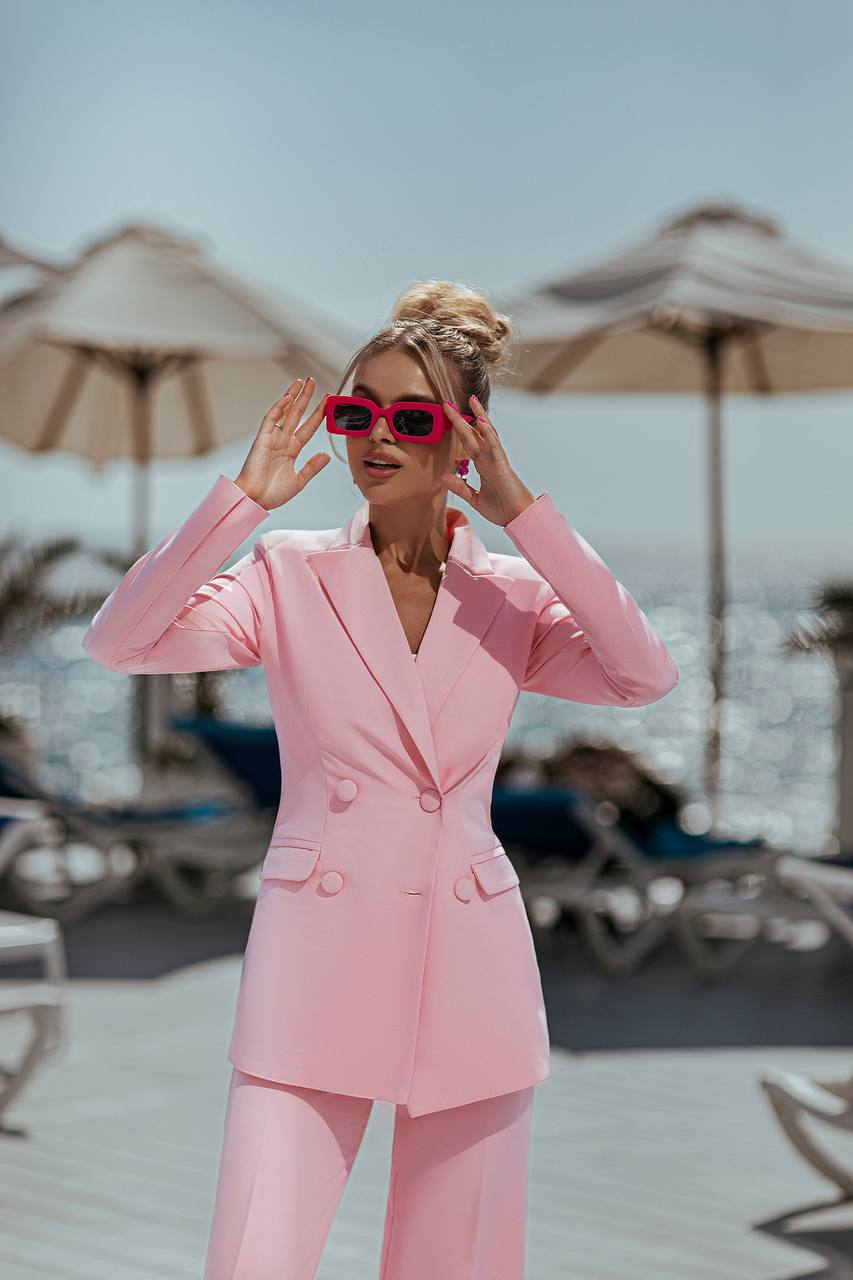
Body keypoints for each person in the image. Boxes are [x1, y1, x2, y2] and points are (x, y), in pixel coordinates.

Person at [82, 279, 680, 1278]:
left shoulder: (514, 595)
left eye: (410, 417)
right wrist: (238, 503)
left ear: (464, 436)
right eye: (357, 411)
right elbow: (120, 640)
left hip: (471, 970)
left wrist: (526, 515)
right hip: (312, 962)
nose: (375, 436)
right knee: (255, 1260)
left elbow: (641, 672)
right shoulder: (286, 570)